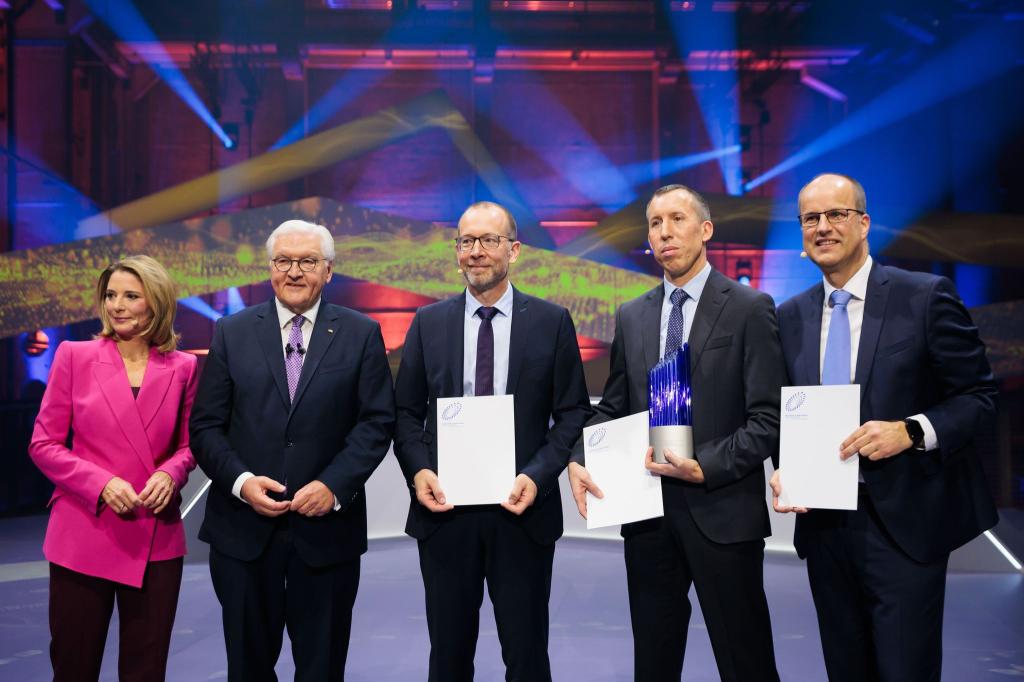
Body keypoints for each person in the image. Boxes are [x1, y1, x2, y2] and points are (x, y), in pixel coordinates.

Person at [770, 173, 998, 681]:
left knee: (904, 670)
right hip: (824, 529)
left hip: (902, 524)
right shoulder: (788, 317)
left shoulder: (924, 296)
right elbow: (786, 411)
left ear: (864, 222)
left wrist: (913, 430)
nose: (823, 227)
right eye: (811, 218)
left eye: (836, 215)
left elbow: (978, 397)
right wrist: (783, 467)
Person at [568, 184, 783, 682]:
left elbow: (768, 420)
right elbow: (615, 407)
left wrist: (703, 465)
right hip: (647, 518)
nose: (665, 232)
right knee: (654, 660)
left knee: (745, 660)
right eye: (655, 223)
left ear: (705, 230)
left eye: (677, 219)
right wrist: (580, 454)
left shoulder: (750, 307)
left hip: (723, 512)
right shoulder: (633, 314)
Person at [189, 219, 395, 682]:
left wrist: (333, 486)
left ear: (328, 271)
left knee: (321, 669)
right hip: (243, 532)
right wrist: (242, 484)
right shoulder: (231, 331)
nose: (295, 271)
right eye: (284, 261)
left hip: (326, 533)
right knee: (247, 668)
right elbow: (205, 427)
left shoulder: (361, 333)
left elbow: (376, 423)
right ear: (269, 269)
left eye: (307, 262)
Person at [393, 201, 591, 682]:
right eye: (466, 241)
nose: (476, 252)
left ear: (515, 250)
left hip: (522, 511)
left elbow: (571, 414)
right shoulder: (427, 323)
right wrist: (419, 470)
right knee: (448, 657)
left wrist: (537, 476)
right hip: (444, 513)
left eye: (488, 241)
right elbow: (403, 413)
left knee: (526, 656)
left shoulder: (551, 321)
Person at [29, 255, 199, 682]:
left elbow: (191, 444)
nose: (116, 305)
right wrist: (101, 483)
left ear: (156, 303)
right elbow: (44, 444)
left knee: (146, 670)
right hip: (86, 530)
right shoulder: (74, 356)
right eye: (110, 295)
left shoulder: (184, 366)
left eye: (130, 296)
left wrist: (171, 473)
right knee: (74, 666)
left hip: (155, 532)